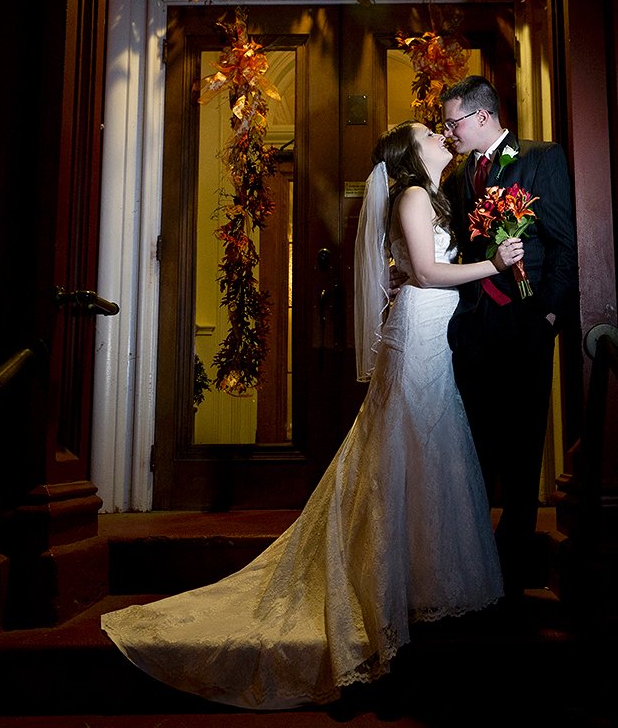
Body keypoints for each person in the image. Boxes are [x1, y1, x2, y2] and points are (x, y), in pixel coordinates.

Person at [100, 119, 524, 711]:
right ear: (411, 151)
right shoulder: (409, 196)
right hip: (417, 335)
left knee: (430, 449)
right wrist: (495, 267)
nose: (439, 135)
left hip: (431, 336)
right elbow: (426, 273)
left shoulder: (432, 197)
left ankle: (419, 585)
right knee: (407, 448)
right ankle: (383, 590)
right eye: (430, 131)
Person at [439, 75, 578, 601]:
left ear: (481, 116)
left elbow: (565, 242)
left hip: (525, 323)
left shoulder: (541, 157)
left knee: (523, 442)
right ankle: (475, 556)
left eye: (454, 123)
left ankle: (515, 562)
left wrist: (547, 316)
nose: (449, 133)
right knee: (476, 440)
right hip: (473, 325)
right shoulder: (458, 179)